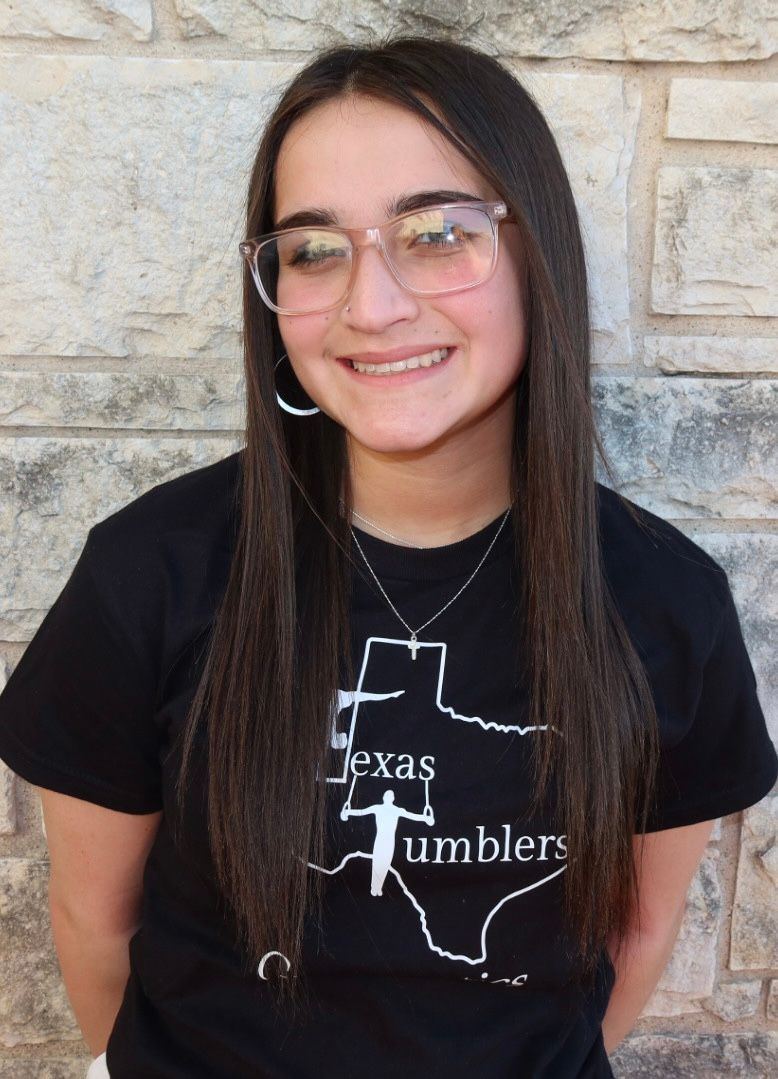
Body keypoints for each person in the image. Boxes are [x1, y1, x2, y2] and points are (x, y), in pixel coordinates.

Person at [0, 36, 775, 1079]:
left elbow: (634, 938)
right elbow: (95, 923)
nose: (372, 305)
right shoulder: (151, 573)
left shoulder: (665, 602)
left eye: (437, 233)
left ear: (535, 249)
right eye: (315, 250)